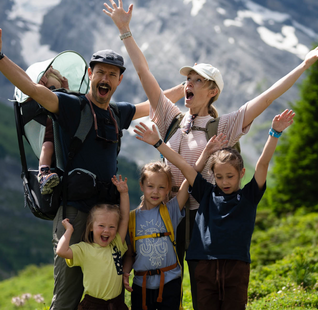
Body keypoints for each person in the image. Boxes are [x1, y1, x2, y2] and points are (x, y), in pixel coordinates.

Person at [104, 0, 318, 308]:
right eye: (186, 78)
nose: (187, 83)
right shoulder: (169, 116)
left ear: (212, 90)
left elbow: (268, 96)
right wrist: (125, 31)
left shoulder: (226, 125)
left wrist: (305, 63)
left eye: (196, 80)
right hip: (166, 209)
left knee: (199, 282)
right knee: (159, 280)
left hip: (202, 213)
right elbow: (144, 73)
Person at [0, 27, 183, 310]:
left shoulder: (117, 112)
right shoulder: (70, 105)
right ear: (90, 74)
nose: (105, 78)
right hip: (74, 213)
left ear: (119, 80)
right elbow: (32, 89)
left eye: (112, 74)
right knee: (69, 292)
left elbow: (153, 103)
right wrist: (0, 57)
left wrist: (185, 88)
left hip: (109, 214)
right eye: (100, 72)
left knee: (110, 291)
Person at [134, 108, 295, 310]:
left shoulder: (249, 196)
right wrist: (158, 143)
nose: (224, 181)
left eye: (230, 176)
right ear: (213, 176)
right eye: (219, 177)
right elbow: (184, 166)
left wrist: (274, 133)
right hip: (203, 265)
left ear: (242, 173)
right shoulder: (206, 193)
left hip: (236, 266)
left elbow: (262, 164)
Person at [122, 160, 217, 310]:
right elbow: (129, 254)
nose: (155, 191)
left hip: (170, 282)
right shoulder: (131, 219)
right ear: (141, 186)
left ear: (168, 189)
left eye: (161, 187)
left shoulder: (170, 211)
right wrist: (126, 272)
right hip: (141, 284)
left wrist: (205, 154)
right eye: (150, 186)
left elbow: (189, 179)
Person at [56, 175, 130, 310]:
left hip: (117, 304)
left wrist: (124, 193)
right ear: (91, 227)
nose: (106, 231)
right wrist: (68, 231)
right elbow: (61, 251)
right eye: (101, 226)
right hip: (93, 305)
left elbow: (125, 218)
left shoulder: (117, 245)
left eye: (112, 227)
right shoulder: (84, 249)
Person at [37, 66, 70, 195]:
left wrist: (65, 86)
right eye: (50, 89)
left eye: (57, 90)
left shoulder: (62, 102)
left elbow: (69, 98)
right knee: (47, 146)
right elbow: (34, 92)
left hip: (65, 139)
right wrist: (42, 82)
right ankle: (43, 174)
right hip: (50, 139)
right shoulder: (41, 102)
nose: (54, 93)